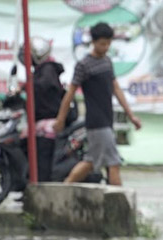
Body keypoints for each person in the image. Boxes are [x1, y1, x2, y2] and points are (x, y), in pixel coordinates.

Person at [53, 22, 142, 186]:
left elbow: (116, 89)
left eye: (108, 43)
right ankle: (120, 203)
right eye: (102, 43)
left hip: (107, 119)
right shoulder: (84, 65)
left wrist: (131, 116)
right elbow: (70, 93)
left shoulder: (107, 62)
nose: (106, 47)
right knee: (113, 162)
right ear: (93, 42)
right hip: (96, 121)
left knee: (91, 162)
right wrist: (60, 119)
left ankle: (64, 188)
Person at [29, 37, 74, 182]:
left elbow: (45, 86)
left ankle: (42, 187)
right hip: (42, 121)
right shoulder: (41, 70)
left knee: (43, 159)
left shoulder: (47, 69)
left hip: (49, 122)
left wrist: (28, 86)